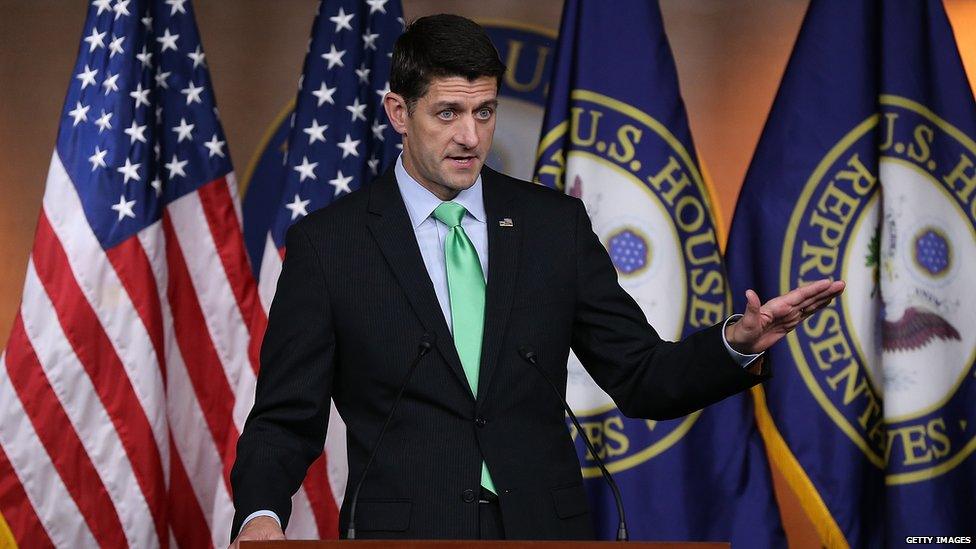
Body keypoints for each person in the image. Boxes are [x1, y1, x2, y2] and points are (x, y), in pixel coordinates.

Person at [229, 13, 844, 545]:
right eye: (448, 113)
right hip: (405, 536)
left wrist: (736, 342)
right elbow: (285, 417)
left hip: (544, 532)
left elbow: (640, 377)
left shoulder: (553, 226)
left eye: (484, 111)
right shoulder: (330, 245)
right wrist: (259, 515)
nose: (470, 137)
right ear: (399, 113)